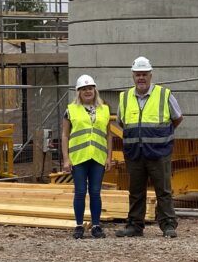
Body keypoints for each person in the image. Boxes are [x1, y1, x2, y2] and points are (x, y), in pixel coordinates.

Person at [115, 56, 183, 239]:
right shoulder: (125, 97)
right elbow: (122, 122)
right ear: (133, 76)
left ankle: (168, 225)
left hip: (159, 153)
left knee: (164, 191)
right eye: (138, 74)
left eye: (144, 74)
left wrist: (159, 137)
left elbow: (177, 118)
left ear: (151, 75)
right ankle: (135, 226)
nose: (141, 78)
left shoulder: (164, 94)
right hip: (135, 153)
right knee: (136, 192)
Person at [61, 74, 113, 239]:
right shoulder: (71, 110)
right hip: (79, 157)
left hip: (98, 157)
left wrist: (109, 157)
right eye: (83, 89)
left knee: (96, 192)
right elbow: (64, 135)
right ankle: (79, 225)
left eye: (90, 88)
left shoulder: (104, 109)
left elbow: (109, 135)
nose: (87, 91)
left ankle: (96, 226)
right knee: (80, 191)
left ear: (95, 90)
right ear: (78, 92)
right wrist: (66, 159)